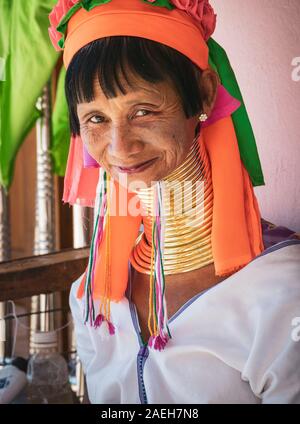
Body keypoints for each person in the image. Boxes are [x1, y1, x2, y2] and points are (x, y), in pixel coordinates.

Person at [48, 0, 300, 404]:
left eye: (143, 110)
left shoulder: (282, 294)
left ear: (203, 94)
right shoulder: (92, 298)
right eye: (96, 118)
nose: (120, 147)